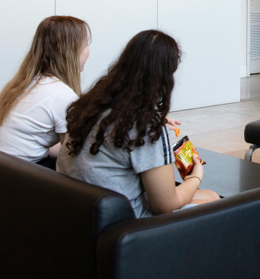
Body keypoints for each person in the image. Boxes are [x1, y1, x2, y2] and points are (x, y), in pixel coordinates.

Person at [58, 30, 219, 215]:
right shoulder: (145, 127)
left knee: (208, 195)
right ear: (165, 77)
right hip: (124, 223)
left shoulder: (90, 105)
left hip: (77, 211)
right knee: (213, 200)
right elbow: (165, 205)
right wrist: (195, 177)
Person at [0, 15, 91, 168]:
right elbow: (71, 157)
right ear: (72, 51)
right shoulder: (62, 95)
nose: (88, 51)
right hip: (18, 174)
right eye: (86, 45)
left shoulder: (22, 84)